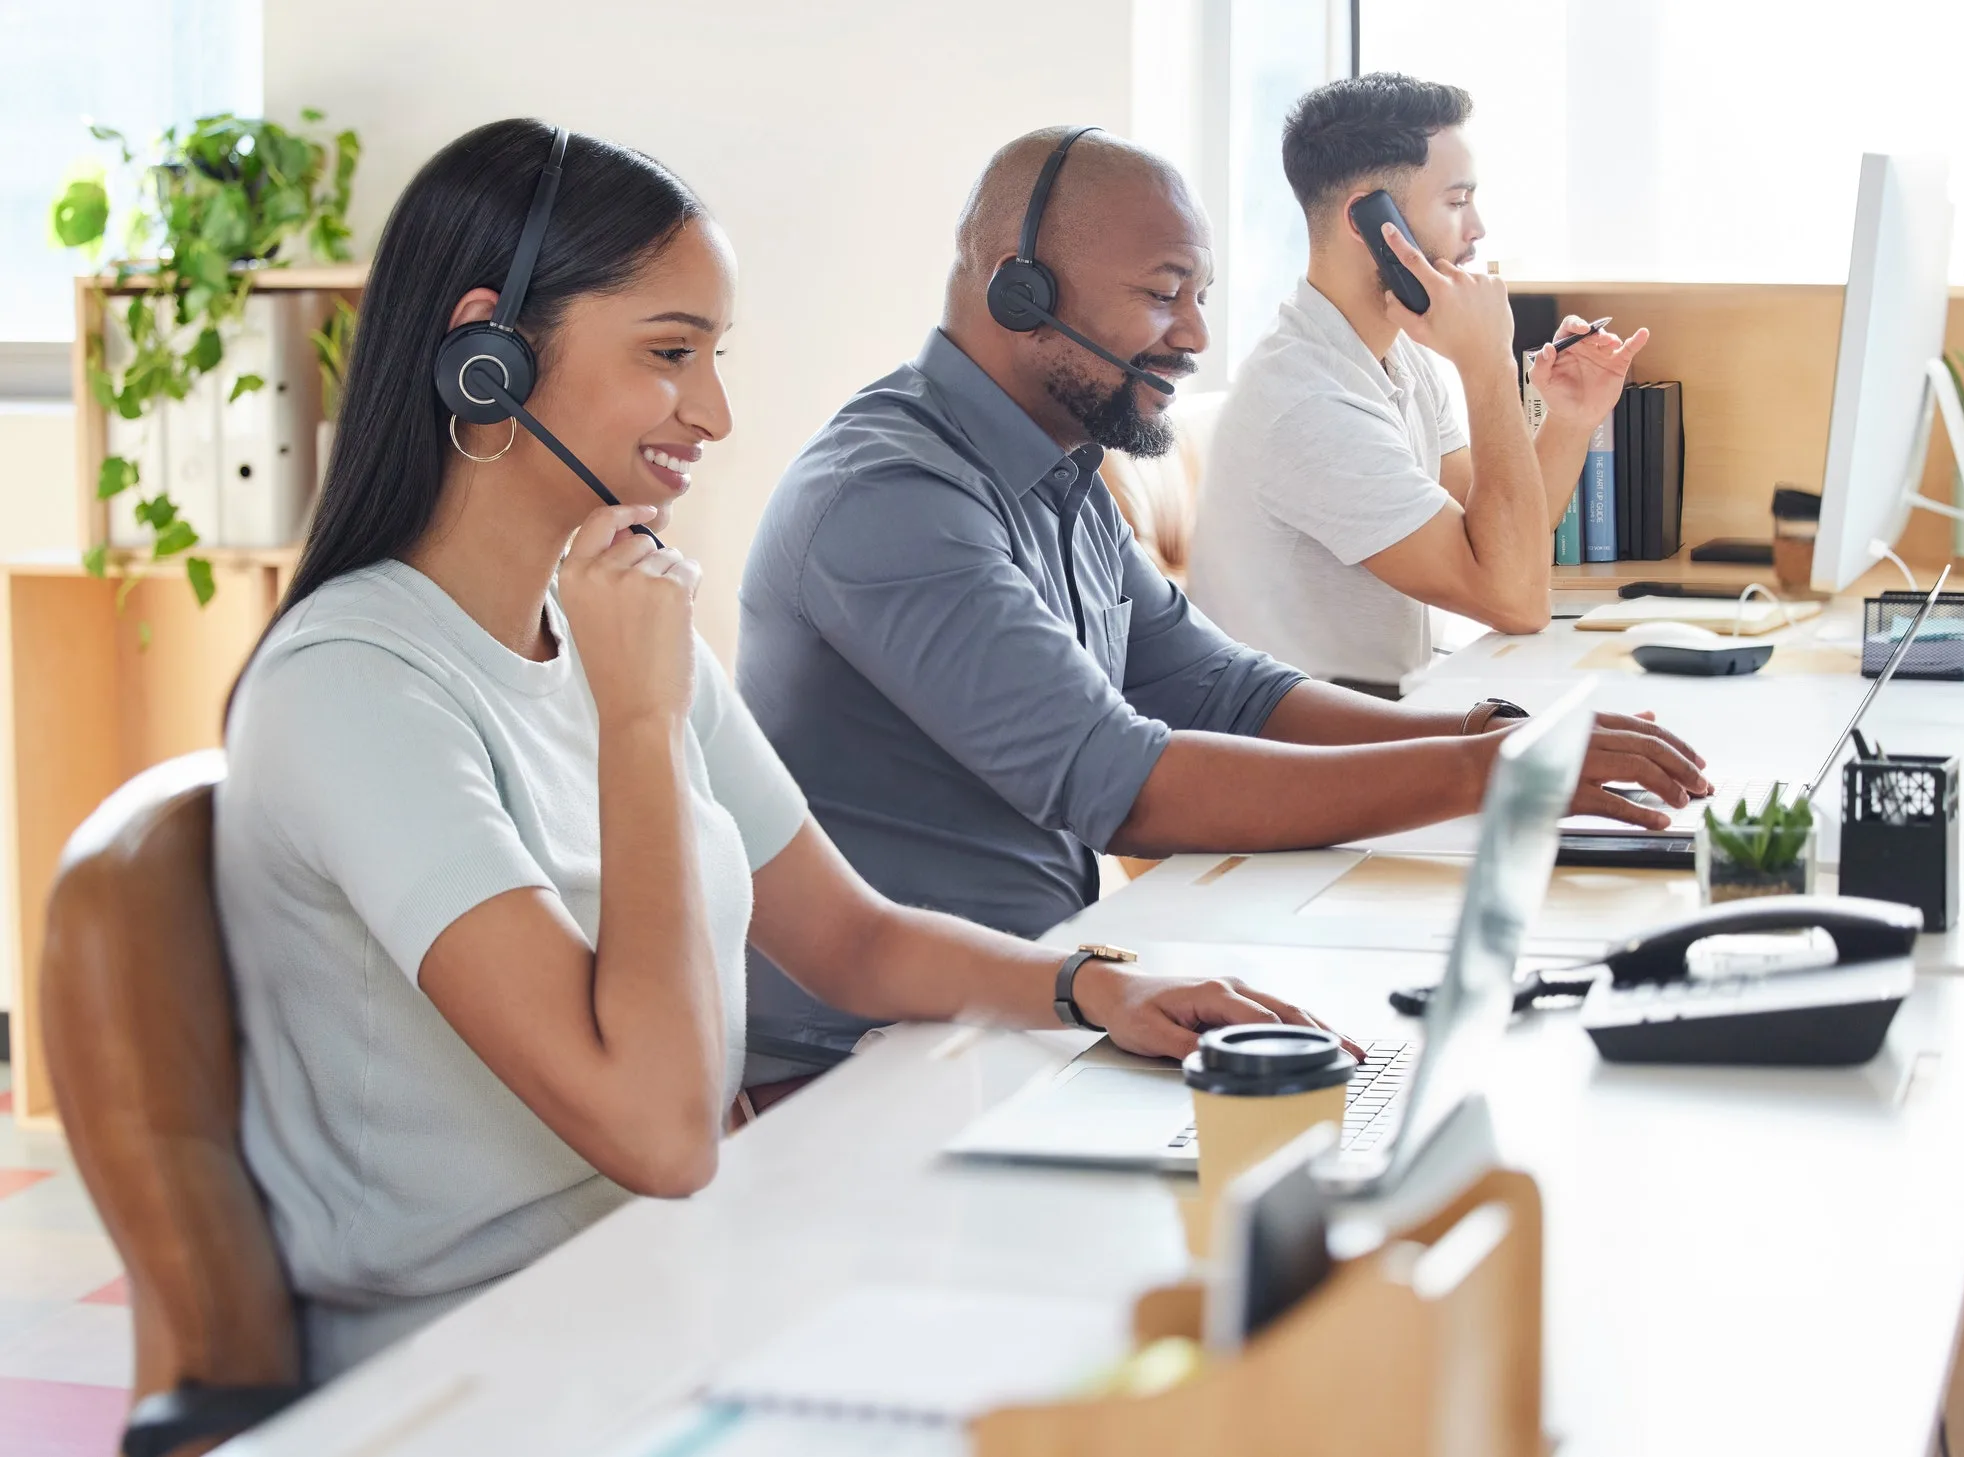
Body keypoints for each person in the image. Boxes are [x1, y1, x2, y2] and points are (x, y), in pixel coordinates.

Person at [215, 119, 1335, 1381]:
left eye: (713, 354)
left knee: (1179, 1317)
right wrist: (638, 722)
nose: (716, 410)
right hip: (496, 1357)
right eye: (668, 353)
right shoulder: (356, 688)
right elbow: (659, 1130)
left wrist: (1091, 989)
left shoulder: (609, 617)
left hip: (692, 1270)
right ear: (489, 352)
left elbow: (847, 934)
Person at [735, 126, 1706, 1084]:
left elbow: (1220, 688)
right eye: (1163, 296)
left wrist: (1481, 730)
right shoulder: (893, 497)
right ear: (1015, 287)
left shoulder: (1051, 465)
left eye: (1199, 297)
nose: (1196, 336)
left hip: (1047, 994)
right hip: (871, 1058)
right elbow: (1127, 788)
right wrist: (1484, 771)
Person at [1190, 73, 1650, 695]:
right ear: (1370, 221)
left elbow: (1492, 539)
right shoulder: (1307, 403)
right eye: (1457, 202)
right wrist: (1488, 362)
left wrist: (1568, 419)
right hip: (1311, 761)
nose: (1478, 228)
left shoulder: (1395, 355)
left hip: (1383, 722)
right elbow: (1514, 598)